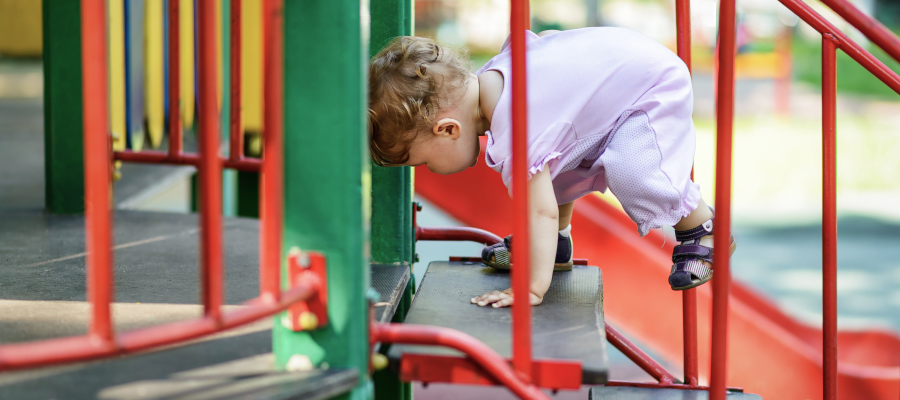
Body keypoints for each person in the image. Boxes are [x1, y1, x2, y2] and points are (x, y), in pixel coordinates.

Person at [367, 28, 735, 308]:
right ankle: (553, 247)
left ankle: (701, 228)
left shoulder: (516, 125)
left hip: (650, 86)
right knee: (551, 164)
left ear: (448, 129)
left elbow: (539, 211)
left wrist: (530, 286)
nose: (431, 169)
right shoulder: (494, 83)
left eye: (425, 161)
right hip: (624, 73)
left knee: (635, 170)